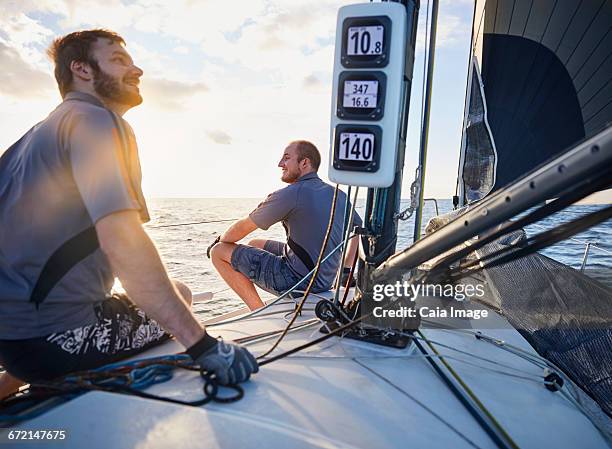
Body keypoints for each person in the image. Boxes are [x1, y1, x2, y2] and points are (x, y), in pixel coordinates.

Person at [0, 29, 257, 398]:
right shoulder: (98, 121)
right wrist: (204, 347)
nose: (137, 70)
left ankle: (10, 382)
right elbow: (124, 240)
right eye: (119, 60)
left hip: (12, 339)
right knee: (181, 293)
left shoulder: (29, 140)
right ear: (82, 70)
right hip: (56, 341)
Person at [209, 140, 361, 311]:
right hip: (326, 279)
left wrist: (219, 241)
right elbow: (358, 231)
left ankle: (259, 311)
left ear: (304, 163)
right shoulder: (338, 194)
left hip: (298, 281)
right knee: (255, 244)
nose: (280, 164)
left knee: (219, 251)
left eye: (286, 158)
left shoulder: (291, 193)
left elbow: (243, 228)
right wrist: (346, 269)